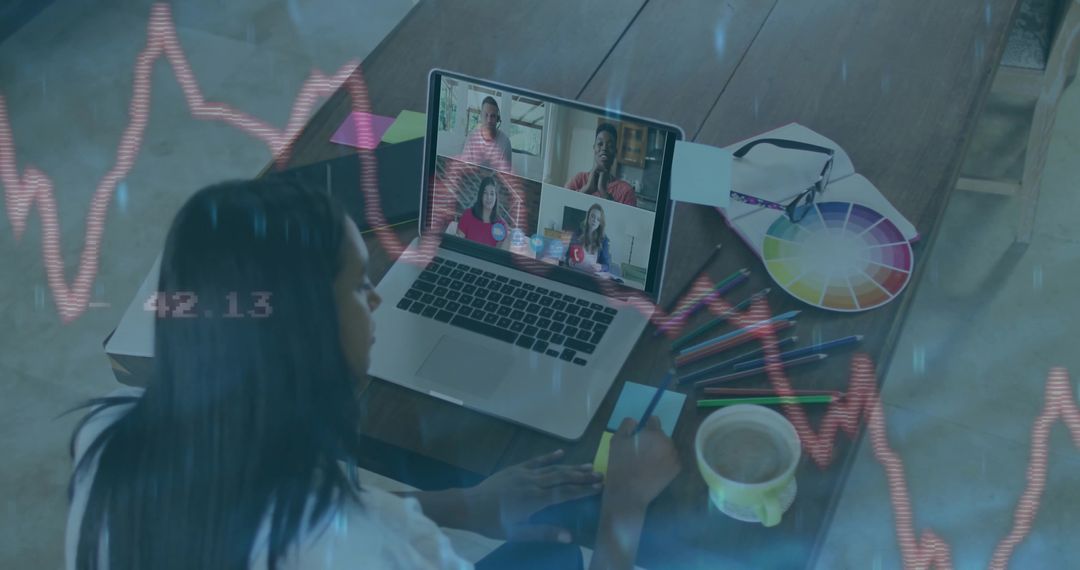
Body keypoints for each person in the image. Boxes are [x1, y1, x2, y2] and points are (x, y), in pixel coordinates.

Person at [65, 178, 680, 570]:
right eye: (360, 288)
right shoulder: (366, 553)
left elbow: (301, 506)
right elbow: (347, 530)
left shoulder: (108, 442)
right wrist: (623, 508)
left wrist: (466, 504)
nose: (379, 299)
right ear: (311, 336)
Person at [565, 124, 637, 207]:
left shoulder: (627, 191)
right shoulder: (579, 179)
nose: (604, 148)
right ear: (594, 148)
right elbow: (562, 203)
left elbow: (627, 219)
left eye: (610, 146)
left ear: (615, 152)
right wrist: (587, 189)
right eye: (600, 144)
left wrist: (603, 192)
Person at [460, 96, 513, 172]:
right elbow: (464, 169)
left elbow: (505, 175)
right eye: (486, 115)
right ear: (481, 116)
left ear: (497, 119)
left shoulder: (505, 143)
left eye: (493, 116)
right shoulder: (471, 138)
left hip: (495, 183)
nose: (489, 120)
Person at [455, 176, 506, 247]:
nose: (489, 197)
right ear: (480, 195)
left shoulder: (501, 225)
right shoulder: (468, 215)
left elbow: (499, 253)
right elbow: (458, 244)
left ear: (496, 197)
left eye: (492, 194)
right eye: (485, 193)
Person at [566, 203, 613, 274]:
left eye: (598, 219)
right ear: (588, 217)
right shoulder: (577, 233)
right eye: (593, 216)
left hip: (590, 277)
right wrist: (569, 261)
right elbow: (567, 256)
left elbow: (607, 266)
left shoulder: (604, 240)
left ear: (600, 222)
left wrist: (600, 267)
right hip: (574, 272)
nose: (594, 220)